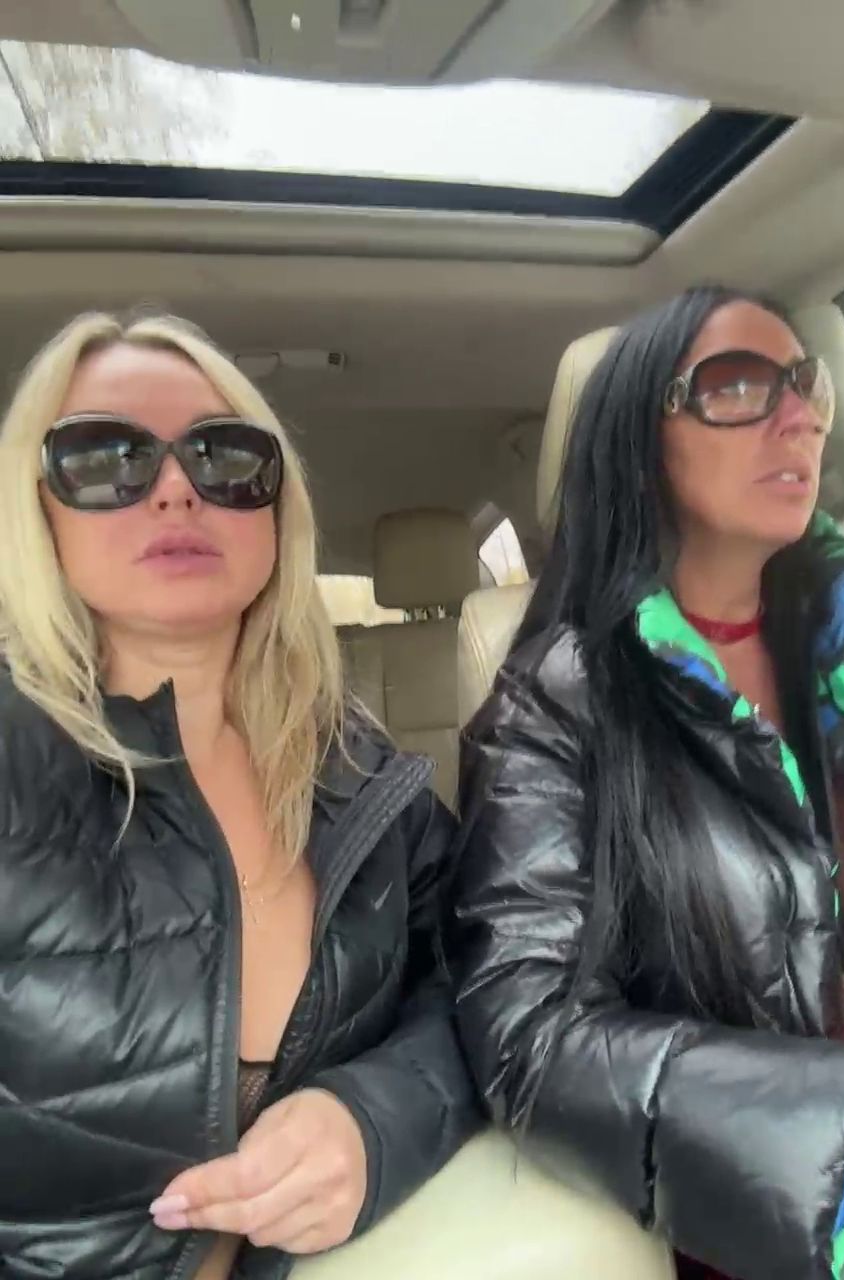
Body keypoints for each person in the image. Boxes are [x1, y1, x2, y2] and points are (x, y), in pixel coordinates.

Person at [451, 286, 844, 1280]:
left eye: (804, 384)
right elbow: (529, 1035)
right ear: (641, 442)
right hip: (778, 1178)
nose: (798, 416)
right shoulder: (556, 704)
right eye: (737, 386)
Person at [0, 311, 477, 1280]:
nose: (177, 488)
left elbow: (482, 986)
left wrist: (373, 1116)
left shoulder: (361, 775)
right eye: (105, 458)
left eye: (225, 456)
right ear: (35, 511)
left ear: (275, 510)